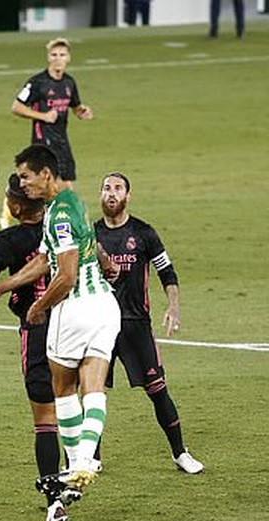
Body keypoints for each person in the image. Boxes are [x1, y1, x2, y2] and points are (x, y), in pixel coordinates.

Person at [0, 145, 121, 521]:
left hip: (72, 311)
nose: (21, 183)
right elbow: (47, 259)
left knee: (62, 391)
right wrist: (0, 289)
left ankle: (75, 468)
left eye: (25, 176)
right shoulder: (70, 202)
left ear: (45, 175)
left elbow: (64, 275)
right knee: (93, 383)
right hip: (105, 306)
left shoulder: (60, 214)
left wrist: (38, 308)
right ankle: (84, 461)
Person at [0, 175, 77, 521]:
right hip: (73, 324)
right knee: (74, 402)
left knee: (44, 417)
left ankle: (54, 499)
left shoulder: (8, 240)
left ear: (15, 205)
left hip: (38, 328)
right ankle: (83, 467)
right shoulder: (64, 229)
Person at [93, 173, 204, 475]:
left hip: (135, 326)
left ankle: (180, 453)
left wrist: (174, 307)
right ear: (100, 195)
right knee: (93, 393)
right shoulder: (89, 235)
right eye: (106, 188)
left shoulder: (143, 233)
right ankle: (91, 458)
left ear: (128, 196)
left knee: (157, 389)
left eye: (117, 188)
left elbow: (167, 273)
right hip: (99, 326)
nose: (111, 193)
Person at [11, 37, 93, 190]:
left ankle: (13, 209)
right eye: (54, 55)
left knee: (58, 186)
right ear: (48, 57)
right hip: (43, 142)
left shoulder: (69, 82)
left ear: (68, 58)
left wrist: (82, 111)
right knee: (61, 188)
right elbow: (16, 107)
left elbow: (75, 106)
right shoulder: (37, 83)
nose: (58, 59)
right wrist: (44, 116)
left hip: (62, 141)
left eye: (62, 55)